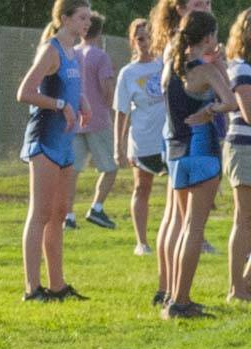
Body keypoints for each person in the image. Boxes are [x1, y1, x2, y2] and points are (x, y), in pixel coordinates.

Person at [161, 10, 237, 318]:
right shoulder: (205, 71)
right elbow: (232, 102)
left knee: (184, 230)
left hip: (177, 154)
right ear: (207, 39)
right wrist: (212, 110)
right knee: (195, 230)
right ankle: (181, 302)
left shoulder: (170, 68)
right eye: (215, 36)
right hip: (202, 152)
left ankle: (175, 297)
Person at [17, 0, 93, 302]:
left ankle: (58, 286)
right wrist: (61, 105)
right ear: (64, 18)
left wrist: (82, 100)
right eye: (82, 17)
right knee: (41, 213)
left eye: (89, 18)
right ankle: (32, 289)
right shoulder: (51, 49)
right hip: (45, 140)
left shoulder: (74, 53)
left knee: (59, 213)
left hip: (65, 141)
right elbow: (24, 92)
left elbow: (69, 87)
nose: (87, 23)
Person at [152, 0, 216, 307]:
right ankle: (176, 296)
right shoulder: (198, 65)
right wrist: (215, 106)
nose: (205, 5)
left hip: (176, 143)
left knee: (175, 222)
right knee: (187, 226)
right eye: (198, 2)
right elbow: (231, 99)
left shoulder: (172, 57)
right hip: (196, 145)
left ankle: (170, 292)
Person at [115, 18, 168, 255]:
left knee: (183, 190)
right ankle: (142, 242)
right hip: (142, 140)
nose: (145, 42)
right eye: (140, 38)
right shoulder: (128, 73)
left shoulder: (164, 64)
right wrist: (118, 145)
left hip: (169, 138)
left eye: (149, 36)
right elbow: (122, 112)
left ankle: (195, 237)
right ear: (133, 42)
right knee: (141, 188)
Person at [65, 12, 118, 230]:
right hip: (97, 120)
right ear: (100, 32)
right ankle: (96, 208)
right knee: (110, 168)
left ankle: (68, 215)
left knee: (73, 171)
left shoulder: (72, 53)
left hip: (76, 120)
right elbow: (107, 88)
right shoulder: (100, 56)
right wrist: (108, 108)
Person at [224, 8, 251, 303]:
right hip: (244, 147)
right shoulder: (241, 67)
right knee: (244, 219)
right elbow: (248, 113)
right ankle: (237, 288)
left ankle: (246, 282)